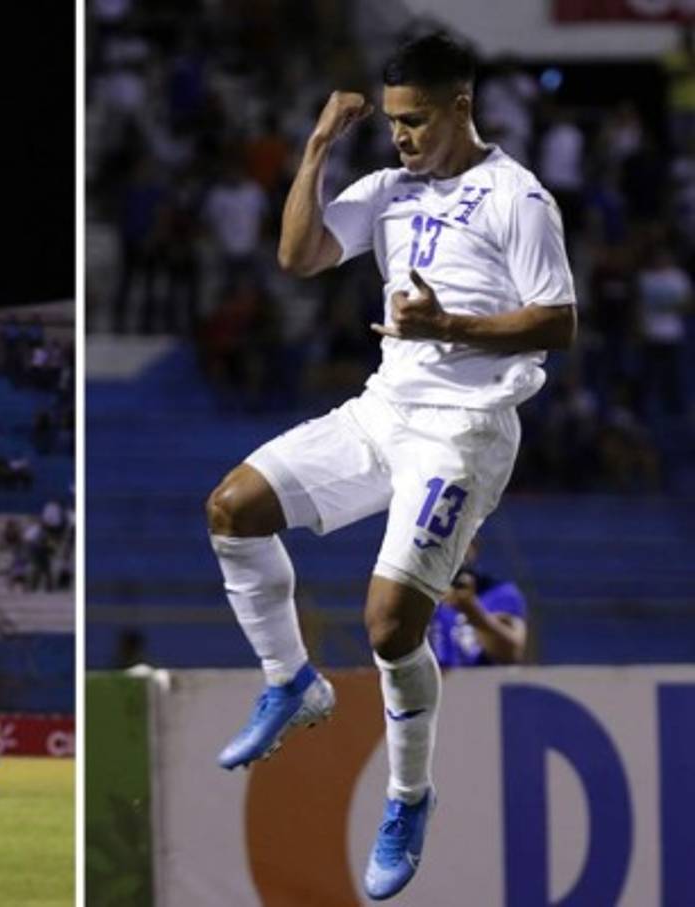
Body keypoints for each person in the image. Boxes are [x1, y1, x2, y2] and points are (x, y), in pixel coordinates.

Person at [204, 33, 575, 900]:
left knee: (387, 622)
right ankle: (291, 681)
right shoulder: (387, 189)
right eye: (394, 121)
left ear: (460, 106)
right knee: (232, 507)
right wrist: (317, 147)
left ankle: (409, 796)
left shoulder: (518, 197)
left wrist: (451, 327)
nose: (402, 136)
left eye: (416, 120)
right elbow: (298, 257)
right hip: (384, 411)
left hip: (466, 429)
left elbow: (559, 322)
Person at [428, 537, 527, 667]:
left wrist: (474, 613)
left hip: (481, 678)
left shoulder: (499, 592)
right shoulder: (415, 592)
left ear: (473, 546)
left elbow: (511, 654)